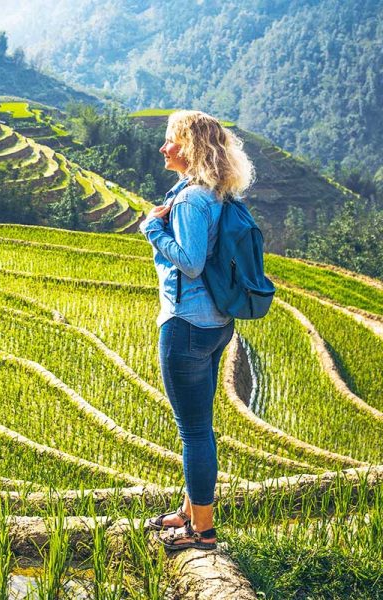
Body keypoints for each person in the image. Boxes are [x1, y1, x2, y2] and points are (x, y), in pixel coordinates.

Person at [138, 109, 255, 551]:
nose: (164, 147)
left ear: (188, 149)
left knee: (194, 432)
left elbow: (189, 262)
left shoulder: (189, 200)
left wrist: (153, 228)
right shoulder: (213, 192)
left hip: (186, 324)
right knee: (201, 426)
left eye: (171, 140)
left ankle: (201, 531)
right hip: (216, 324)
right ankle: (190, 510)